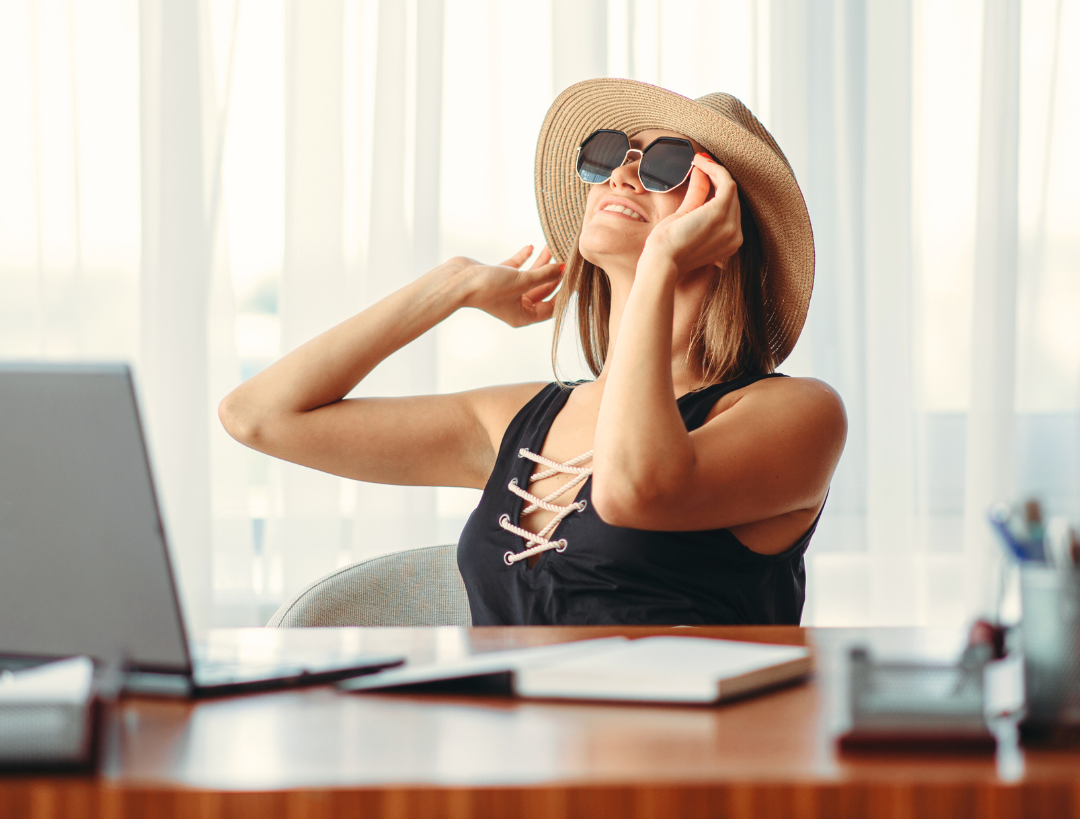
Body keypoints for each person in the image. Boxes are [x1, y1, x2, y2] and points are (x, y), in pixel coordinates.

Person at [220, 78, 846, 625]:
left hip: (683, 759)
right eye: (612, 156)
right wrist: (454, 283)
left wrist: (662, 262)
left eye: (669, 166)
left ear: (728, 227)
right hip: (509, 757)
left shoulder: (799, 413)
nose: (623, 174)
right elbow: (259, 416)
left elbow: (633, 491)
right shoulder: (520, 421)